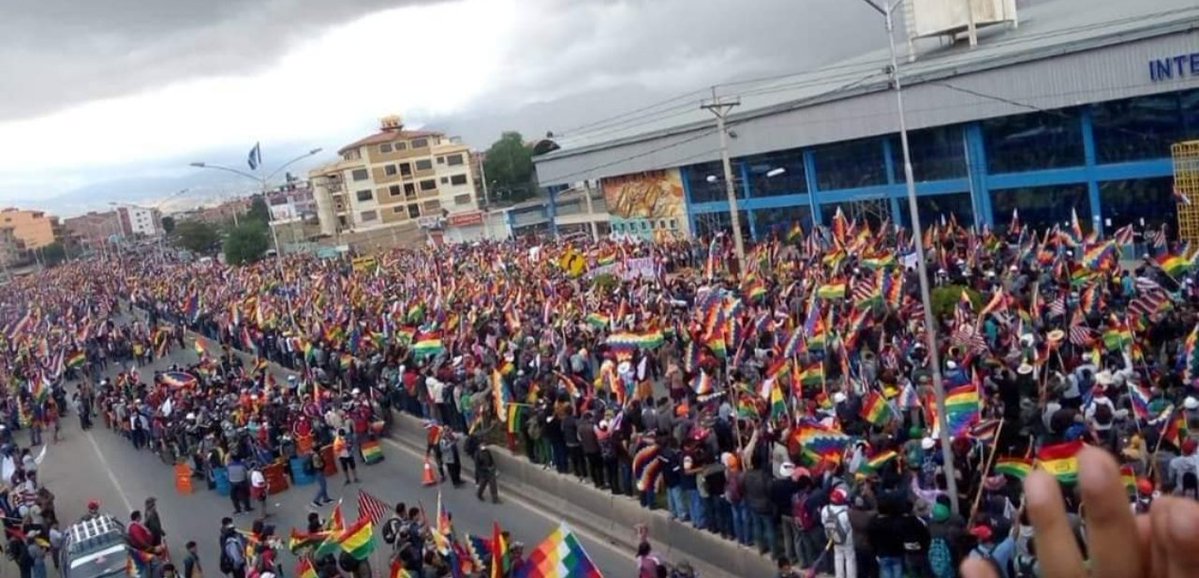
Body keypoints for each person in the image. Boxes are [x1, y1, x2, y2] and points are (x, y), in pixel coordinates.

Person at [820, 487, 856, 578]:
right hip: (847, 537)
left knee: (838, 556)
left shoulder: (825, 509)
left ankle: (839, 576)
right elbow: (850, 525)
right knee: (849, 558)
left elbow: (823, 522)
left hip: (833, 536)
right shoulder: (846, 512)